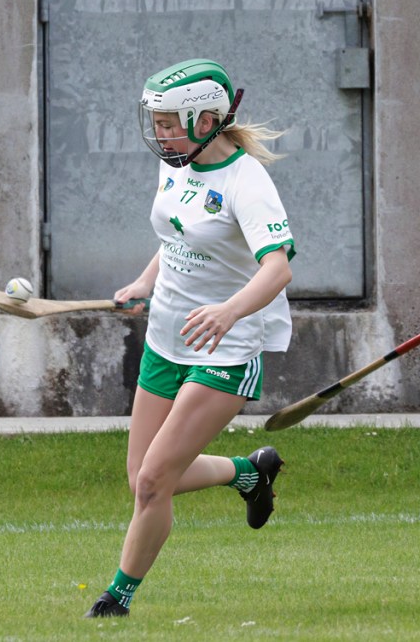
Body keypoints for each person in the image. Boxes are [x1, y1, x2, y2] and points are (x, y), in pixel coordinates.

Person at [84, 59, 296, 618]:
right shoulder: (176, 162)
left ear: (205, 120)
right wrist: (144, 282)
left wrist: (228, 312)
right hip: (165, 340)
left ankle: (115, 601)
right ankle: (248, 472)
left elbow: (277, 269)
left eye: (168, 123)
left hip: (226, 349)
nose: (160, 135)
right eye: (155, 123)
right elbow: (177, 236)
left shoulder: (246, 182)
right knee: (141, 477)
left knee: (154, 481)